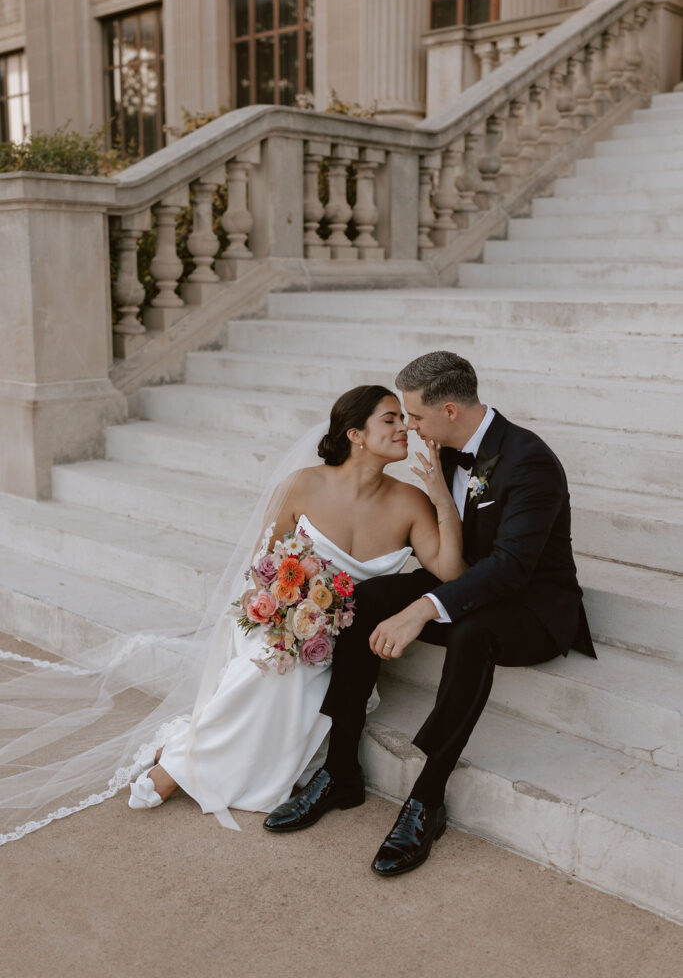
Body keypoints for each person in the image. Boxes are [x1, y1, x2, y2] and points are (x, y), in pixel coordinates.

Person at [264, 351, 596, 877]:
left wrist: (423, 609)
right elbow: (454, 559)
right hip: (467, 579)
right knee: (361, 598)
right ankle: (341, 770)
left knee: (473, 632)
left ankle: (427, 798)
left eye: (414, 417)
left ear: (448, 409)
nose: (409, 428)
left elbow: (510, 570)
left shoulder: (530, 461)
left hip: (533, 606)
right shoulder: (444, 450)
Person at [127, 384, 466, 828]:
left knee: (297, 669)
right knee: (270, 663)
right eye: (391, 419)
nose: (405, 427)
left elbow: (451, 575)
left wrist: (442, 499)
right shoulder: (303, 485)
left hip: (345, 634)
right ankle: (181, 765)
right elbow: (259, 565)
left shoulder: (411, 502)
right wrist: (284, 610)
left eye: (405, 419)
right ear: (355, 434)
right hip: (279, 618)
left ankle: (180, 762)